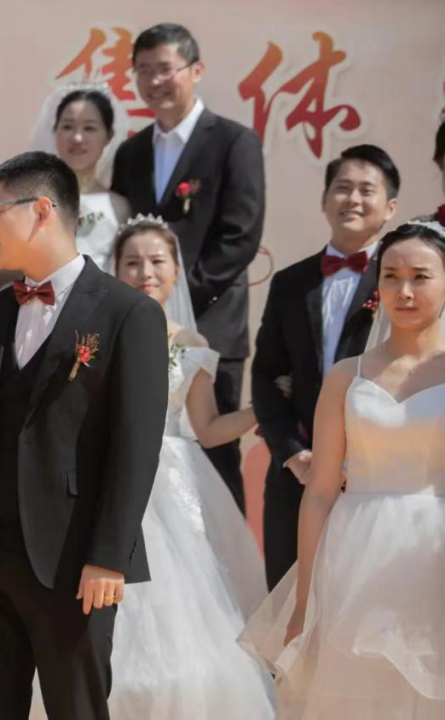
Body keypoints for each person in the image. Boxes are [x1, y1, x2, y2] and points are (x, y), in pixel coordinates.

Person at [0, 152, 169, 719]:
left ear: (41, 211)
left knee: (76, 709)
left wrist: (108, 556)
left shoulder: (128, 314)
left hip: (74, 560)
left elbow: (135, 448)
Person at [67, 216, 271, 718]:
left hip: (177, 480)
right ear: (115, 270)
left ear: (177, 270)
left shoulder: (191, 343)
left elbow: (209, 428)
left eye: (157, 261)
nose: (145, 272)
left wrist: (264, 410)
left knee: (187, 605)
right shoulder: (95, 333)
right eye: (132, 262)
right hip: (109, 475)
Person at [240, 221, 445, 718]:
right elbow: (320, 492)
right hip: (355, 555)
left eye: (421, 276)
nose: (404, 291)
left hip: (433, 551)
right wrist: (304, 600)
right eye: (391, 276)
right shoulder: (346, 376)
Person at [112, 23, 266, 513]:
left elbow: (240, 237)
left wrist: (173, 300)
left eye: (165, 69)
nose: (155, 81)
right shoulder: (131, 152)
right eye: (144, 71)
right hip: (140, 329)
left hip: (212, 326)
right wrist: (144, 307)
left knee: (215, 458)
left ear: (195, 70)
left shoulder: (235, 142)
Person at [252, 144, 399, 589]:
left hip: (373, 478)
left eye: (366, 190)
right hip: (297, 477)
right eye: (342, 188)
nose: (352, 199)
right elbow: (265, 374)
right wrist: (293, 454)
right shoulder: (290, 283)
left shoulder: (403, 282)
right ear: (324, 200)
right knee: (288, 604)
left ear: (390, 207)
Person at [0, 83, 133, 300]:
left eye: (89, 128)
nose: (77, 138)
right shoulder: (20, 197)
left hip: (95, 312)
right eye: (67, 126)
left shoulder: (119, 207)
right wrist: (37, 267)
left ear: (108, 135)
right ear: (54, 130)